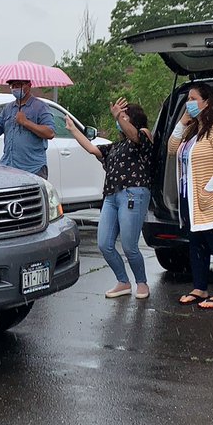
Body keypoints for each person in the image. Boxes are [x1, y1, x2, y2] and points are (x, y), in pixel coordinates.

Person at [66, 97, 154, 299]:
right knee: (104, 244)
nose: (119, 120)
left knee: (130, 245)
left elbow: (136, 136)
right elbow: (92, 149)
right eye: (118, 117)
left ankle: (142, 283)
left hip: (133, 193)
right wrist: (73, 129)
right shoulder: (116, 146)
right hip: (111, 196)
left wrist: (119, 117)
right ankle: (123, 282)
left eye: (123, 117)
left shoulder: (143, 136)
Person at [169, 83, 213, 310]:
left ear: (207, 102)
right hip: (192, 200)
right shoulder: (193, 130)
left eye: (193, 98)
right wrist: (182, 121)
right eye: (187, 99)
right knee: (196, 244)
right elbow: (172, 149)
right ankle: (199, 288)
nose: (188, 102)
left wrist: (209, 189)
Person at [0, 79, 55, 178]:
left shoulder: (40, 107)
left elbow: (50, 133)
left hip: (33, 169)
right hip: (8, 167)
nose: (15, 88)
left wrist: (26, 122)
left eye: (18, 85)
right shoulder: (8, 108)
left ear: (29, 85)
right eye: (12, 86)